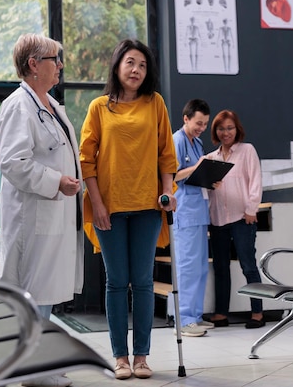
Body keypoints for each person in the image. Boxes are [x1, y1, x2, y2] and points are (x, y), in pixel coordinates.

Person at [79, 38, 177, 380]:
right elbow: (86, 160)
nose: (136, 70)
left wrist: (168, 190)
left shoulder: (156, 104)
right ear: (117, 66)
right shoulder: (99, 107)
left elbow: (166, 154)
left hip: (149, 205)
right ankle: (120, 357)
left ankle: (142, 357)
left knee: (143, 282)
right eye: (130, 63)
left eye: (143, 65)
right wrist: (98, 204)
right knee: (117, 283)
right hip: (110, 206)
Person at [0, 33, 83, 387]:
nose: (60, 65)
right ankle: (32, 371)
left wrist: (68, 181)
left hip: (54, 215)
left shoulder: (49, 104)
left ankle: (39, 362)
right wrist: (55, 181)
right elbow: (12, 162)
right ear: (33, 64)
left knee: (43, 294)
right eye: (54, 59)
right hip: (33, 218)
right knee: (33, 294)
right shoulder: (19, 105)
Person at [206, 110, 265, 329]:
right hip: (218, 220)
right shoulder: (211, 158)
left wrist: (252, 208)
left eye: (229, 128)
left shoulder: (247, 150)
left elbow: (255, 181)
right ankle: (221, 313)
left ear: (236, 128)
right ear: (216, 131)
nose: (225, 132)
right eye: (221, 129)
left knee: (248, 265)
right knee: (220, 267)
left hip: (243, 217)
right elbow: (205, 187)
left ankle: (257, 313)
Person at [172, 98, 213, 337]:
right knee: (187, 268)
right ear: (186, 118)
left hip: (199, 211)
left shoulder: (197, 142)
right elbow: (171, 175)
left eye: (205, 124)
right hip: (185, 211)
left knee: (199, 268)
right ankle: (184, 319)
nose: (202, 128)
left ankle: (195, 317)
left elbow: (198, 172)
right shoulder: (177, 141)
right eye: (198, 123)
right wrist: (199, 167)